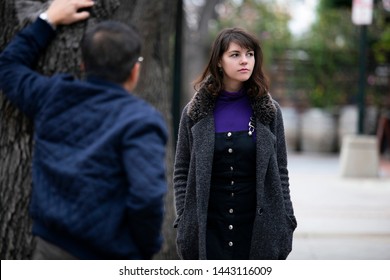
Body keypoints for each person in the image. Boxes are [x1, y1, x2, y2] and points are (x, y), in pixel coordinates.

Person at [0, 0, 168, 260]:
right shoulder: (142, 121)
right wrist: (145, 249)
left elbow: (8, 66)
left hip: (49, 250)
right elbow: (146, 198)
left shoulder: (52, 96)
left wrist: (48, 20)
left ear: (83, 65)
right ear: (135, 70)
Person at [173, 27, 297, 260]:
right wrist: (185, 218)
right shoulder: (194, 113)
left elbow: (281, 172)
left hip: (257, 229)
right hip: (209, 228)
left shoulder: (269, 112)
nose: (245, 61)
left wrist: (287, 220)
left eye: (249, 54)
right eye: (235, 54)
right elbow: (181, 172)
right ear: (219, 61)